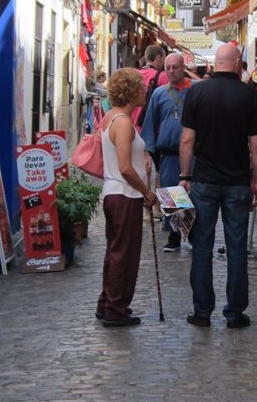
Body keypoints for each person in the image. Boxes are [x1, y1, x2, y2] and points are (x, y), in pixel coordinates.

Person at [179, 43, 257, 329]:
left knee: (202, 246)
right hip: (237, 182)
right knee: (236, 247)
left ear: (215, 63)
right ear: (239, 62)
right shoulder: (249, 96)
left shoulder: (196, 92)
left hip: (204, 180)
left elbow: (187, 140)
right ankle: (234, 313)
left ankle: (202, 312)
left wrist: (185, 175)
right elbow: (256, 143)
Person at [95, 68, 159, 327]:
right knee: (125, 254)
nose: (145, 91)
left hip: (115, 193)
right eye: (142, 88)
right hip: (125, 193)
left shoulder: (112, 117)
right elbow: (124, 166)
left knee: (115, 251)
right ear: (132, 91)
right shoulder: (122, 122)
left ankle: (107, 303)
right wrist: (147, 191)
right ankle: (116, 309)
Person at [141, 52, 196, 252]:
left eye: (175, 67)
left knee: (193, 196)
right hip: (170, 155)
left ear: (183, 67)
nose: (171, 72)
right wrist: (148, 152)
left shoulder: (196, 90)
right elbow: (149, 124)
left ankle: (193, 236)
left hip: (195, 154)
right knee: (172, 196)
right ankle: (174, 236)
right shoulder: (159, 94)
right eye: (167, 68)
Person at [131, 44, 169, 128]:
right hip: (150, 128)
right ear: (158, 57)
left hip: (130, 126)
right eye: (164, 58)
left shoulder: (132, 74)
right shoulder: (162, 77)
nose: (164, 63)